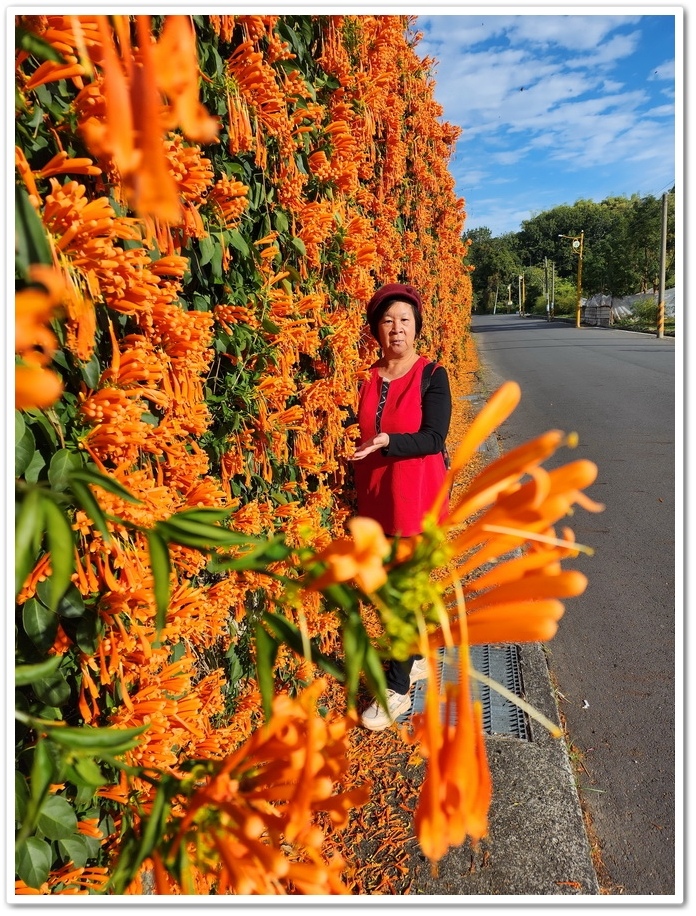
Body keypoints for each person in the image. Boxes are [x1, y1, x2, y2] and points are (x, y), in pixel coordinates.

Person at [350, 282, 452, 731]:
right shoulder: (365, 376)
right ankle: (414, 659)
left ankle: (396, 690)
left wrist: (389, 441)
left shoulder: (433, 375)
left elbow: (434, 437)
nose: (396, 329)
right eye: (388, 321)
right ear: (376, 329)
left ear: (416, 328)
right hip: (375, 498)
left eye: (405, 321)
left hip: (414, 502)